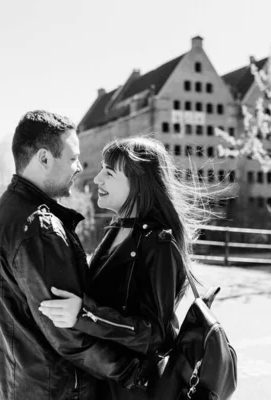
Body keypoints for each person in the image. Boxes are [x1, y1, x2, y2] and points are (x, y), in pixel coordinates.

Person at [0, 110, 149, 400]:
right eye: (72, 158)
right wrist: (133, 371)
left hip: (18, 386)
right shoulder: (39, 228)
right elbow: (69, 334)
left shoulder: (2, 212)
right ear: (44, 159)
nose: (79, 167)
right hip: (57, 391)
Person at [39, 136, 211, 399]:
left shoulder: (159, 243)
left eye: (109, 173)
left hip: (136, 389)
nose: (97, 180)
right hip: (105, 380)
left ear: (138, 184)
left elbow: (154, 334)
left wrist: (85, 314)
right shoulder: (117, 229)